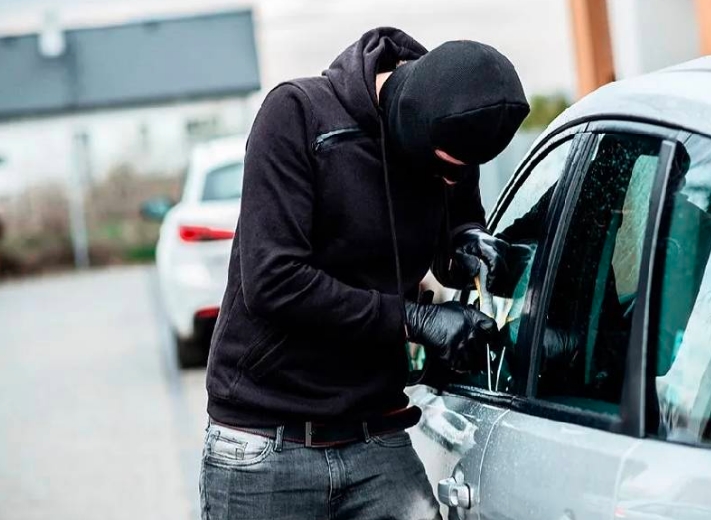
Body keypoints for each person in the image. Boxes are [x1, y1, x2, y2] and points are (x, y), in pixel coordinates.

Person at [200, 27, 529, 520]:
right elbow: (273, 280)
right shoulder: (297, 115)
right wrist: (413, 320)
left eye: (464, 171)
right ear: (408, 123)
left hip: (376, 436)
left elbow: (450, 227)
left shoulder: (453, 138)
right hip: (266, 445)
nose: (451, 180)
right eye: (445, 168)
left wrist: (467, 242)